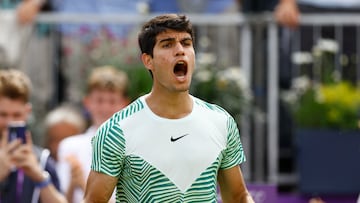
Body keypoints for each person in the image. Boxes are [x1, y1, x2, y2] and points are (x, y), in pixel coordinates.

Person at [82, 14, 254, 203]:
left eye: (186, 43)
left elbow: (238, 197)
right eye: (167, 44)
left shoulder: (221, 122)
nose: (180, 50)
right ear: (148, 61)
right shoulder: (116, 130)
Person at [57, 66, 130, 203]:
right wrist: (73, 183)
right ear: (87, 102)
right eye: (99, 100)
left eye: (112, 101)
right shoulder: (69, 146)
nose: (105, 108)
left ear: (125, 104)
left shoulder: (133, 147)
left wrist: (83, 184)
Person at [0, 69, 66, 203]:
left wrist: (39, 177)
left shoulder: (42, 160)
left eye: (16, 115)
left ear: (27, 112)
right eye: (3, 115)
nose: (9, 122)